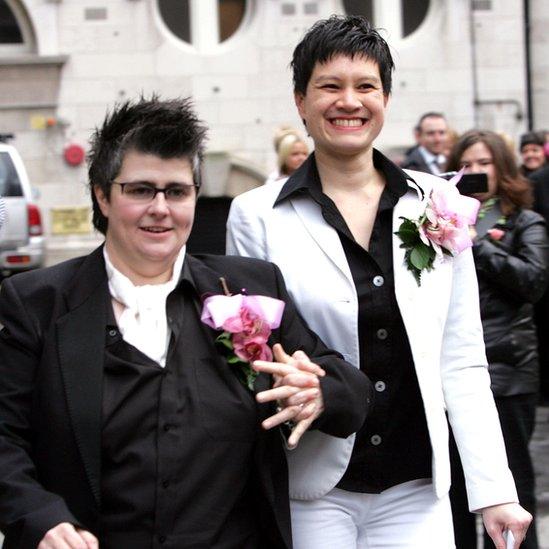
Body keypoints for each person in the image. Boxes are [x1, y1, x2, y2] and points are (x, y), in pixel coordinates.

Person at [0, 97, 372, 549]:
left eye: (176, 191)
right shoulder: (36, 303)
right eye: (140, 190)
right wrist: (41, 519)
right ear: (102, 194)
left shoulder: (249, 288)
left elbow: (351, 392)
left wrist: (320, 391)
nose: (161, 208)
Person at [227, 15, 532, 549]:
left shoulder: (440, 204)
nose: (349, 101)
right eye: (329, 86)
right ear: (301, 100)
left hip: (417, 486)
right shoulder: (255, 216)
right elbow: (253, 350)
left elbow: (460, 356)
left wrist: (494, 488)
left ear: (386, 98)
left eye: (366, 86)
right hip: (314, 486)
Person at [445, 130, 547, 549]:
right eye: (467, 163)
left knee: (511, 488)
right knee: (452, 493)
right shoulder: (438, 221)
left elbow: (534, 281)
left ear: (503, 168)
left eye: (485, 163)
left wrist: (478, 243)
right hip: (454, 376)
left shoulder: (526, 221)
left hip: (508, 371)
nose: (476, 171)